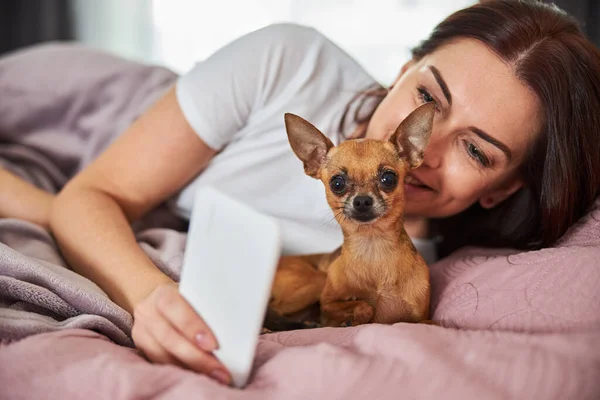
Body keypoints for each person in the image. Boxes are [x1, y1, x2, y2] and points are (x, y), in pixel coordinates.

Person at [1, 0, 598, 386]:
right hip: (96, 137)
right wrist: (150, 292)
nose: (429, 144)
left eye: (476, 150)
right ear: (402, 69)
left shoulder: (423, 276)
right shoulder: (289, 63)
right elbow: (94, 193)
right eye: (427, 98)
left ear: (503, 189)